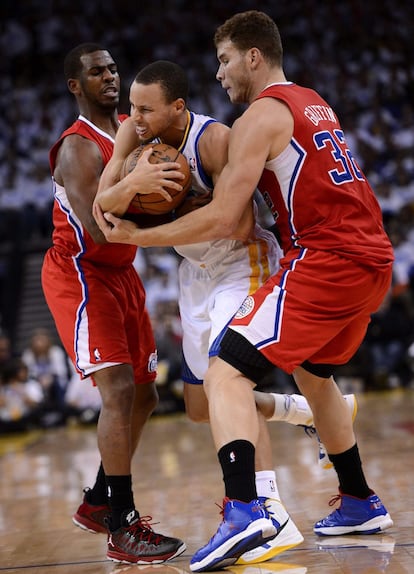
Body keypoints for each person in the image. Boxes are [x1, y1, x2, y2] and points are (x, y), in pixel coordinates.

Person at [94, 11, 395, 572]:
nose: (220, 75)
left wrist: (141, 233)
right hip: (372, 258)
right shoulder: (312, 101)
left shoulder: (257, 117)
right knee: (314, 374)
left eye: (226, 61)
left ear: (253, 56)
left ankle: (247, 511)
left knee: (225, 371)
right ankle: (358, 499)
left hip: (326, 257)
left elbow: (228, 218)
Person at [41, 43, 185, 565]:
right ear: (75, 85)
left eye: (113, 69)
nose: (109, 76)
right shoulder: (78, 148)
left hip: (124, 273)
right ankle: (122, 526)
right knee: (119, 390)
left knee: (146, 397)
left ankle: (100, 499)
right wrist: (141, 189)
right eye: (95, 72)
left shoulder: (131, 129)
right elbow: (99, 235)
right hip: (83, 273)